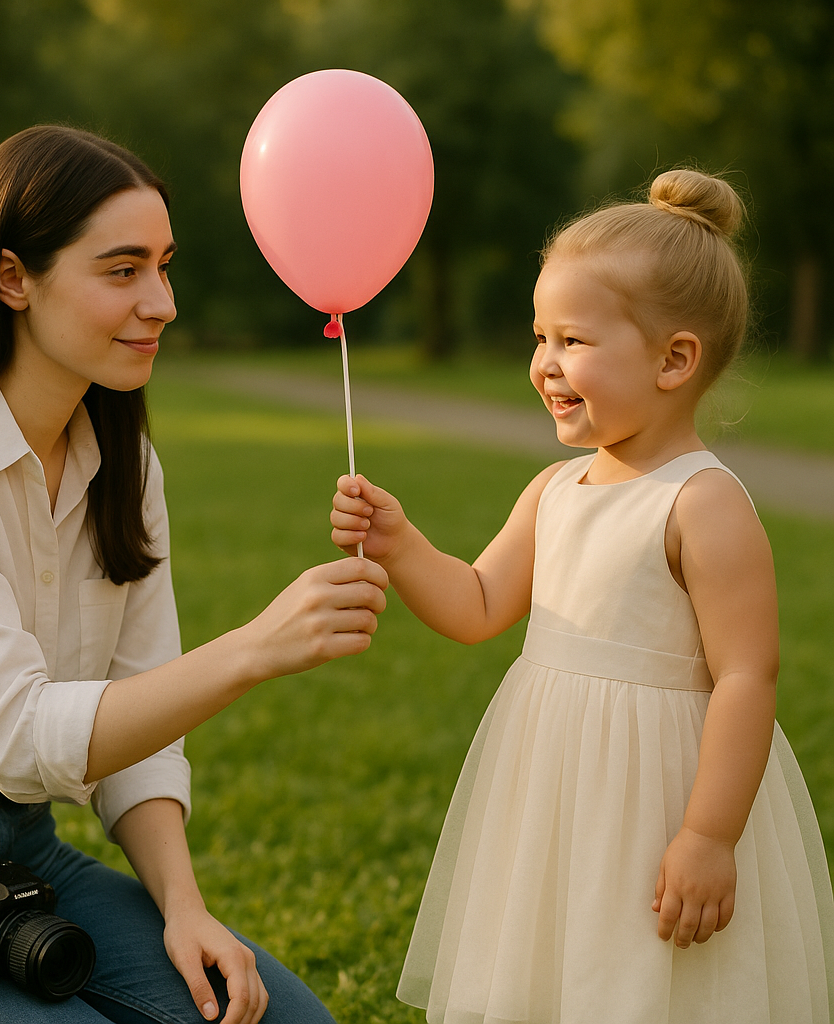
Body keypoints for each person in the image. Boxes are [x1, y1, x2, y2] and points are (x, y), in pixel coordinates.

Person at [0, 124, 389, 1024]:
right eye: (122, 271)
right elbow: (18, 735)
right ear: (13, 279)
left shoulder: (123, 461)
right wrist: (254, 649)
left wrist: (183, 907)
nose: (160, 301)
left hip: (21, 859)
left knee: (285, 1019)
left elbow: (140, 719)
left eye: (164, 265)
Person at [331, 169, 834, 1023]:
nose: (544, 365)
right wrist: (402, 545)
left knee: (645, 977)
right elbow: (480, 603)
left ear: (675, 359)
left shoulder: (700, 503)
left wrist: (708, 836)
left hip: (662, 796)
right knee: (553, 961)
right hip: (554, 786)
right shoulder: (555, 489)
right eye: (540, 337)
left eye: (574, 341)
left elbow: (747, 675)